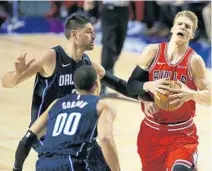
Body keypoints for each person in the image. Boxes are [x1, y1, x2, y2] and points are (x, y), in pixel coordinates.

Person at [2, 13, 132, 171]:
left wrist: (149, 93)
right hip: (46, 132)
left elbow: (121, 85)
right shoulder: (51, 57)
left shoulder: (88, 65)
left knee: (106, 166)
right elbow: (7, 83)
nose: (94, 35)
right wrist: (17, 74)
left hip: (76, 134)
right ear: (75, 34)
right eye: (89, 31)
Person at [127, 10, 211, 171]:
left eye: (188, 27)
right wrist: (147, 90)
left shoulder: (194, 61)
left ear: (191, 35)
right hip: (151, 131)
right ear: (172, 28)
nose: (183, 28)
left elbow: (209, 98)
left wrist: (191, 94)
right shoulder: (152, 51)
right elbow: (132, 85)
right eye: (180, 24)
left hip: (182, 134)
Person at [13, 66, 121, 171]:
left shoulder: (56, 103)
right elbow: (105, 139)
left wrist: (16, 168)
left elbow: (27, 139)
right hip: (72, 163)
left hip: (44, 164)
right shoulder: (102, 105)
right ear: (97, 84)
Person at [100, 0, 130, 96]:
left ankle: (108, 71)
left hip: (124, 11)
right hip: (109, 10)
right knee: (109, 47)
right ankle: (103, 82)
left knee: (118, 46)